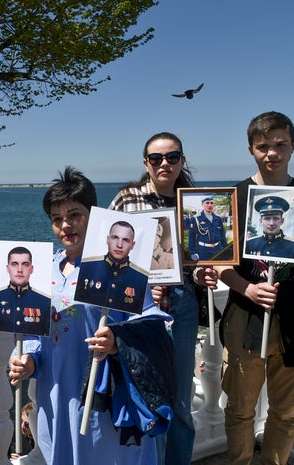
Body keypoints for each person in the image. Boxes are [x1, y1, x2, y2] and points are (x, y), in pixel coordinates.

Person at [8, 166, 175, 464]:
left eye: (74, 215)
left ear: (94, 215)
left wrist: (116, 341)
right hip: (55, 393)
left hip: (102, 396)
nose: (66, 226)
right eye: (57, 219)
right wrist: (29, 359)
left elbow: (152, 326)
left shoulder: (121, 267)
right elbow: (33, 331)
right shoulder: (42, 269)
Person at [216, 111, 294, 465]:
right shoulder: (233, 197)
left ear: (293, 146)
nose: (273, 153)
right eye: (263, 146)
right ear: (251, 149)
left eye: (281, 144)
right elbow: (217, 262)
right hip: (245, 316)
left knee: (285, 413)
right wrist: (246, 288)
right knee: (240, 408)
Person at [109, 131, 217, 465]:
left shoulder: (194, 203)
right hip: (140, 308)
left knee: (181, 399)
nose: (164, 164)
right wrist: (141, 284)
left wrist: (203, 274)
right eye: (156, 158)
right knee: (147, 394)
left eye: (172, 157)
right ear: (146, 163)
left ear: (182, 160)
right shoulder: (127, 200)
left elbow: (196, 263)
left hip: (182, 304)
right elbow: (107, 252)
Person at [75, 221, 148, 314]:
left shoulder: (141, 279)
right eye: (115, 238)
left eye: (125, 240)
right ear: (107, 239)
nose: (119, 245)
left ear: (132, 245)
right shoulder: (86, 267)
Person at [0, 246, 50, 336]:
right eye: (14, 264)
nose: (20, 270)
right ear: (7, 268)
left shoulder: (45, 302)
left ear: (31, 269)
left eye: (25, 264)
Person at [245, 195, 294, 260]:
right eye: (267, 219)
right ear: (260, 221)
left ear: (282, 221)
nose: (271, 223)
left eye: (275, 218)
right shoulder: (250, 244)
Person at [188, 195, 228, 260]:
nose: (210, 205)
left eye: (211, 203)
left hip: (218, 249)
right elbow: (191, 237)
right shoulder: (195, 219)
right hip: (203, 251)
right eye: (207, 203)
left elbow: (222, 235)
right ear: (202, 204)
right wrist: (193, 252)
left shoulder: (218, 219)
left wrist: (226, 248)